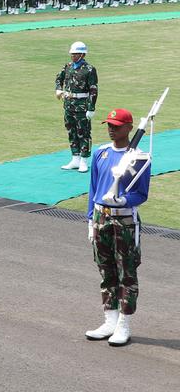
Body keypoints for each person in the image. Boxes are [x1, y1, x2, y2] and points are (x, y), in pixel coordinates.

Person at [84, 108, 150, 347]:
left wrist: (123, 200)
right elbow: (93, 187)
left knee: (126, 273)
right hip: (101, 218)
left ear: (129, 128)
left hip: (124, 220)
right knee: (106, 270)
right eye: (109, 125)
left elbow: (141, 193)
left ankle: (124, 323)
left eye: (117, 126)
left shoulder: (139, 158)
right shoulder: (101, 152)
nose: (111, 129)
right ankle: (109, 320)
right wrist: (90, 219)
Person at [56, 41, 98, 172]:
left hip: (82, 106)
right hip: (69, 105)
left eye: (76, 54)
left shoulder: (89, 69)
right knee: (71, 132)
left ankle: (84, 160)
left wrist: (91, 108)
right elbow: (59, 78)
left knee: (84, 133)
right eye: (72, 54)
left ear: (82, 54)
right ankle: (75, 158)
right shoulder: (68, 66)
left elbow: (93, 89)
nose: (73, 56)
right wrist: (58, 89)